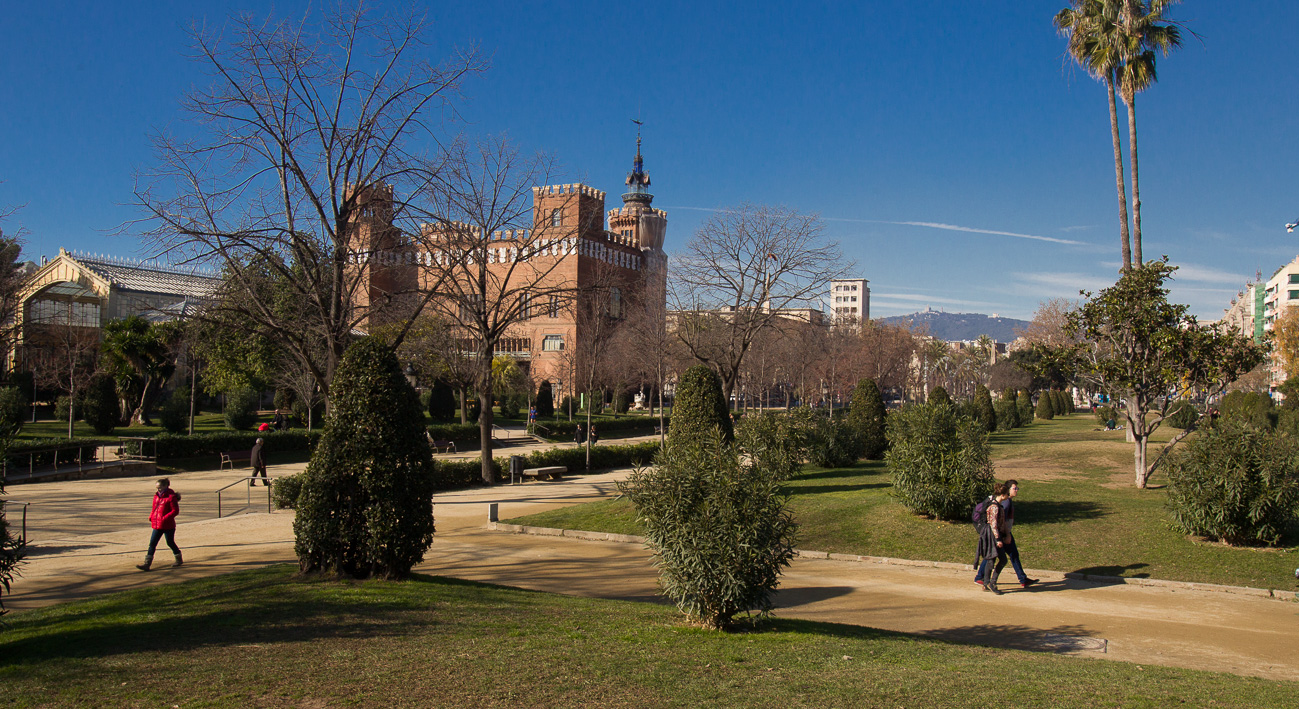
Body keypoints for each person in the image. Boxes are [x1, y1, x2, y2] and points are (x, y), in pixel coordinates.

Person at [975, 479, 1039, 591]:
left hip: (1002, 533)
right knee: (997, 557)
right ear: (1007, 491)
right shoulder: (1004, 503)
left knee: (996, 556)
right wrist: (1003, 536)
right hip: (1000, 534)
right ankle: (985, 580)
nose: (1017, 490)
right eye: (1015, 488)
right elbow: (997, 523)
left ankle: (984, 579)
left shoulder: (1006, 502)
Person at [136, 478, 182, 571]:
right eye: (157, 487)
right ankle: (147, 564)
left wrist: (165, 518)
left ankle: (178, 558)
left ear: (166, 486)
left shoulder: (171, 497)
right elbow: (155, 508)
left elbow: (175, 511)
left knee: (170, 542)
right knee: (152, 543)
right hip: (157, 524)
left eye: (160, 487)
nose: (158, 489)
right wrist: (151, 516)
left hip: (168, 525)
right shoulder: (156, 496)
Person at [974, 482, 1011, 595]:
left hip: (994, 535)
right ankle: (991, 583)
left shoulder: (998, 506)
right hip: (992, 535)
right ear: (1003, 495)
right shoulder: (994, 507)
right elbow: (993, 524)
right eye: (1007, 494)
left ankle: (987, 583)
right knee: (995, 560)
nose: (1008, 496)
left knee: (992, 559)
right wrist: (998, 539)